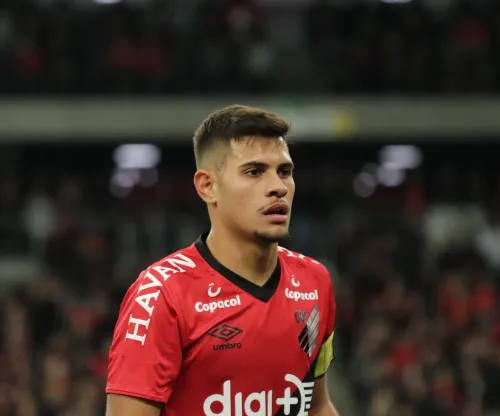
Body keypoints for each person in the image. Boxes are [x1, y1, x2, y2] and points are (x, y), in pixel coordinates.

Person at [105, 105, 339, 416]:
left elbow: (317, 406)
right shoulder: (162, 294)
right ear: (208, 186)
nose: (278, 187)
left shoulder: (315, 281)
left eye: (284, 171)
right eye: (254, 172)